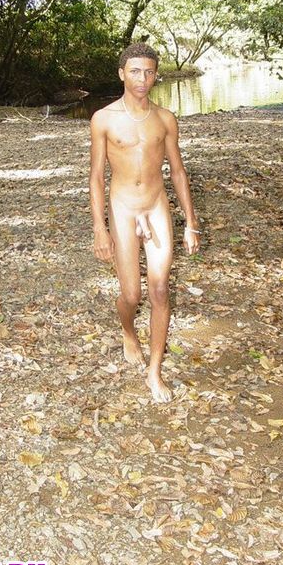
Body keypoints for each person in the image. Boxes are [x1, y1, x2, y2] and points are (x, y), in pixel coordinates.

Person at [89, 42, 200, 403]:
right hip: (122, 208)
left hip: (156, 206)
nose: (142, 78)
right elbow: (96, 177)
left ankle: (155, 372)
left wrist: (191, 222)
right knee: (131, 295)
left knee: (160, 290)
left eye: (149, 72)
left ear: (156, 76)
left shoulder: (165, 119)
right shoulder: (103, 119)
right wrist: (100, 228)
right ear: (122, 74)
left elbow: (178, 172)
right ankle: (128, 331)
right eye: (135, 71)